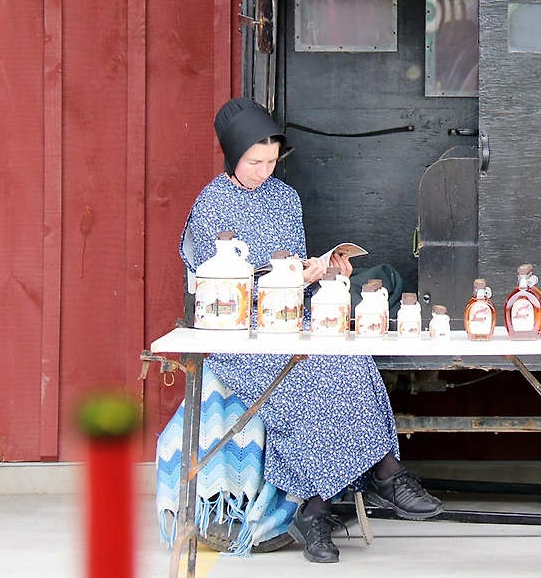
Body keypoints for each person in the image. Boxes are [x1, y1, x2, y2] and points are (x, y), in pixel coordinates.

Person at [180, 97, 442, 563]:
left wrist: (321, 270)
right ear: (232, 154)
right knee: (307, 377)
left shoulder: (285, 199)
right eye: (254, 162)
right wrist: (280, 280)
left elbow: (293, 270)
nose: (264, 170)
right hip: (239, 330)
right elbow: (214, 288)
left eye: (271, 160)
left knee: (348, 357)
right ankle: (359, 487)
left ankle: (341, 497)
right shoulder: (212, 206)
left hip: (289, 317)